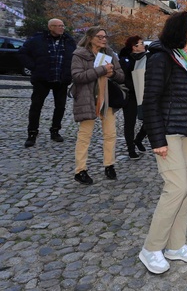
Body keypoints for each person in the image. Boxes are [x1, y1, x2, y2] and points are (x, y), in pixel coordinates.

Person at [138, 11, 187, 275]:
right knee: (176, 188)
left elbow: (185, 94)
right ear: (183, 31)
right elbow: (150, 101)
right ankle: (151, 248)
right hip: (169, 132)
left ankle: (176, 245)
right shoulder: (162, 58)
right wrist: (157, 139)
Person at [70, 27, 125, 185]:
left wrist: (112, 74)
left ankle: (109, 165)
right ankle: (80, 170)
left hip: (107, 99)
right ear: (90, 37)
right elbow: (77, 76)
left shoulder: (110, 54)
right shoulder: (79, 54)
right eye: (100, 36)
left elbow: (121, 76)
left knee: (110, 134)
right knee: (84, 135)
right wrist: (101, 70)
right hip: (88, 99)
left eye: (105, 36)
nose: (104, 39)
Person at [18, 18, 77, 147]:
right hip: (42, 79)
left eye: (63, 25)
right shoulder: (37, 40)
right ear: (51, 27)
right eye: (59, 26)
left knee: (60, 107)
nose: (62, 28)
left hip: (61, 80)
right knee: (36, 107)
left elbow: (75, 57)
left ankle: (55, 131)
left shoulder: (69, 41)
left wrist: (70, 72)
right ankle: (32, 133)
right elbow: (22, 53)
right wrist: (34, 67)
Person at [118, 35, 148, 159]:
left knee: (149, 121)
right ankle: (131, 149)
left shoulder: (147, 58)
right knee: (130, 123)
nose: (143, 45)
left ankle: (139, 139)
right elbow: (123, 78)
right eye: (140, 43)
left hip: (144, 94)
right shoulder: (125, 60)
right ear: (134, 47)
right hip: (131, 95)